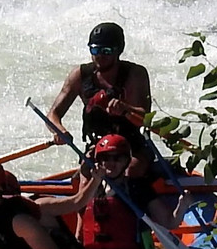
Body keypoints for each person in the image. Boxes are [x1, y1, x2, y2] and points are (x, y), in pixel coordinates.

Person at [70, 133, 192, 249]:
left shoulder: (138, 188)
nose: (110, 163)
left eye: (117, 158)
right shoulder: (94, 188)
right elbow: (79, 207)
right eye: (105, 158)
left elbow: (170, 222)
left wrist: (182, 205)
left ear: (126, 161)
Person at [47, 21, 153, 177]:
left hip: (133, 146)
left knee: (130, 171)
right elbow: (53, 114)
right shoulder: (79, 75)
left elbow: (145, 119)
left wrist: (126, 109)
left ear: (118, 51)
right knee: (86, 172)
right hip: (99, 145)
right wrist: (60, 130)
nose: (100, 56)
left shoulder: (135, 74)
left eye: (107, 51)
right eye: (95, 50)